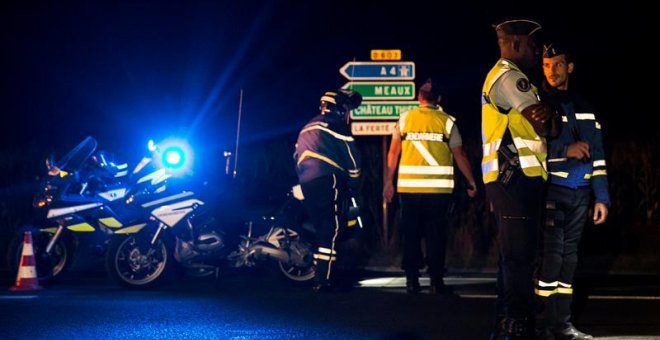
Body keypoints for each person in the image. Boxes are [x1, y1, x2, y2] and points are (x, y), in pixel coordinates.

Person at [480, 19, 559, 339]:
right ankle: (517, 323)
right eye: (531, 45)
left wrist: (549, 118)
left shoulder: (509, 77)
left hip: (515, 176)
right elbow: (542, 123)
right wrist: (549, 116)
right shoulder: (510, 77)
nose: (537, 51)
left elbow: (545, 122)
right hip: (514, 177)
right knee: (519, 255)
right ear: (515, 45)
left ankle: (508, 320)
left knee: (514, 254)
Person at [534, 42, 610, 340]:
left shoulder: (586, 107)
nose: (551, 70)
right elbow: (530, 150)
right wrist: (566, 150)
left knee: (570, 260)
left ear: (570, 67)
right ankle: (541, 323)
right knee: (550, 259)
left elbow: (599, 155)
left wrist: (602, 196)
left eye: (557, 64)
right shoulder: (537, 103)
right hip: (552, 190)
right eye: (546, 65)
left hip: (581, 195)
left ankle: (561, 325)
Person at [383, 79, 477, 294]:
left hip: (408, 190)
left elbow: (393, 153)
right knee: (436, 235)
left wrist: (388, 182)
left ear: (419, 97)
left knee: (411, 234)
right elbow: (459, 155)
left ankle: (411, 281)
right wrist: (471, 181)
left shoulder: (405, 119)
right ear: (440, 99)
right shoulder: (447, 122)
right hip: (438, 191)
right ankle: (436, 282)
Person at [294, 89, 363, 292]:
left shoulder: (307, 127)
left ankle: (318, 275)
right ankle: (324, 280)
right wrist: (354, 182)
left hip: (307, 181)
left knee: (319, 228)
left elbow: (295, 156)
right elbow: (353, 159)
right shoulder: (336, 125)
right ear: (339, 108)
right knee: (331, 228)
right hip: (328, 179)